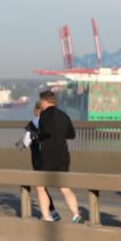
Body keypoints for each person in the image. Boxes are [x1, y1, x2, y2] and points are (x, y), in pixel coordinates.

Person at [36, 90, 83, 223]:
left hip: (48, 155)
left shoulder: (45, 114)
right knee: (64, 187)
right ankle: (75, 214)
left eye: (41, 102)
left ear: (44, 101)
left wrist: (36, 136)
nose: (40, 104)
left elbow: (44, 132)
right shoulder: (64, 115)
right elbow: (72, 135)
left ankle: (47, 217)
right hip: (63, 155)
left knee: (40, 186)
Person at [23, 101, 61, 221]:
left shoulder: (33, 123)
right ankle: (56, 212)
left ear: (37, 110)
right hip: (55, 157)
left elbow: (25, 142)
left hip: (39, 158)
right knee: (59, 187)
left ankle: (49, 215)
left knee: (40, 187)